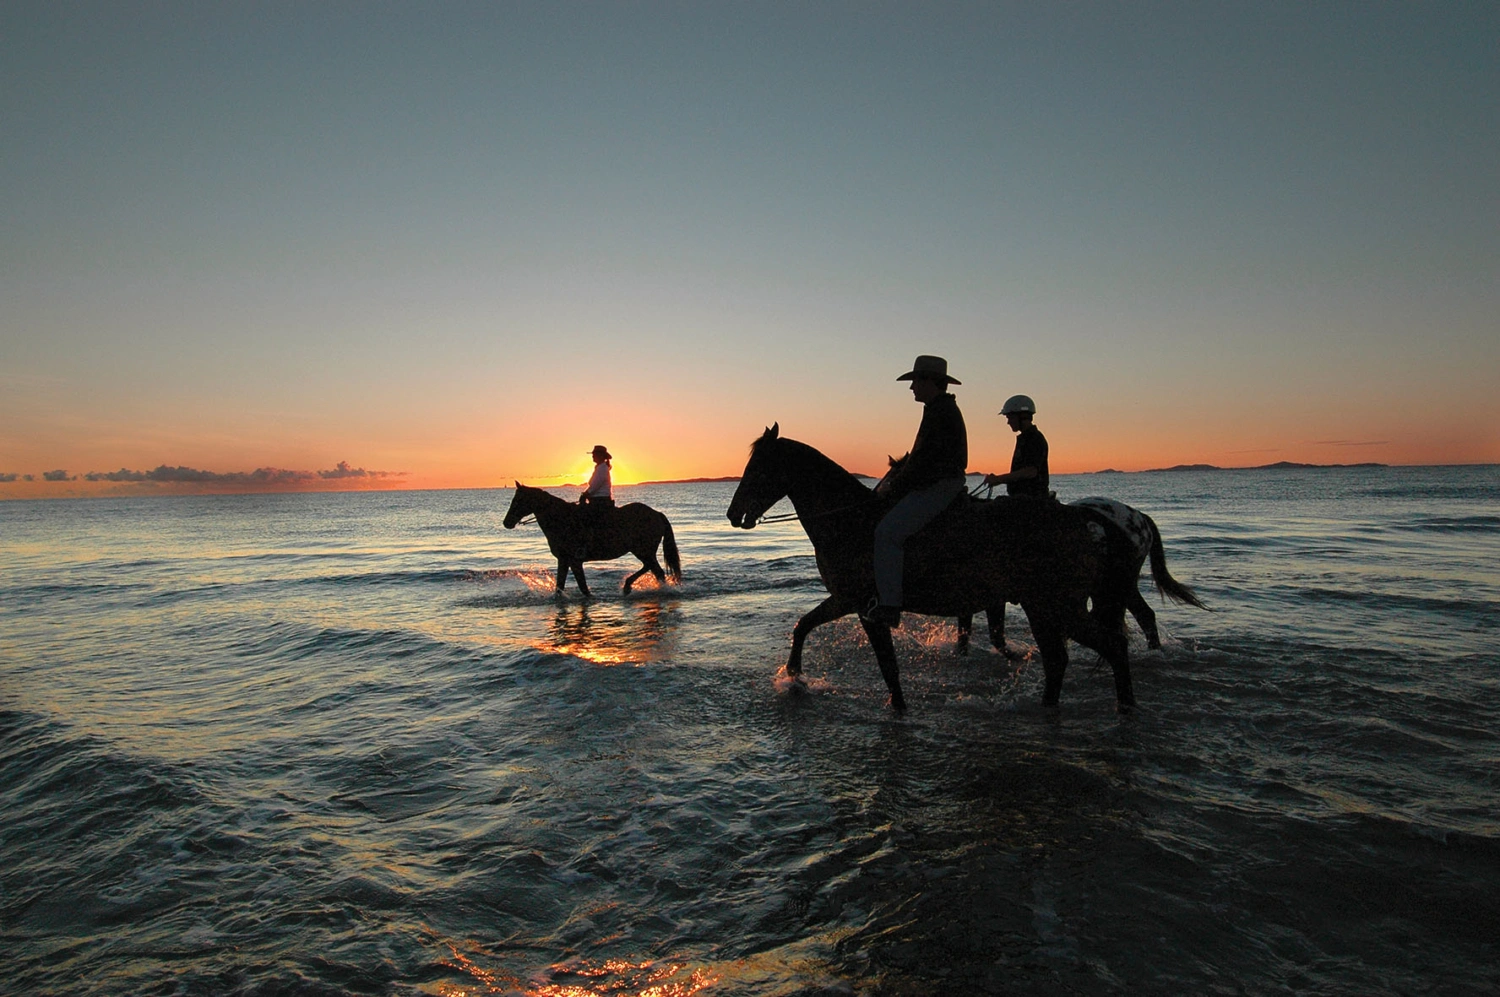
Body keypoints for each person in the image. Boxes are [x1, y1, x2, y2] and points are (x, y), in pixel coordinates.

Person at [864, 355, 969, 628]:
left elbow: (926, 463)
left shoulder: (940, 412)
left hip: (940, 485)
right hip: (939, 481)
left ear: (929, 382)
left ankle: (889, 605)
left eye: (915, 382)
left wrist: (895, 485)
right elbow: (922, 458)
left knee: (886, 534)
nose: (912, 388)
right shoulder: (938, 409)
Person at [983, 394, 1049, 498]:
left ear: (1022, 417)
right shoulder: (1026, 439)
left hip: (1032, 501)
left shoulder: (1035, 439)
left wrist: (998, 479)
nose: (1008, 422)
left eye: (1010, 417)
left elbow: (1030, 471)